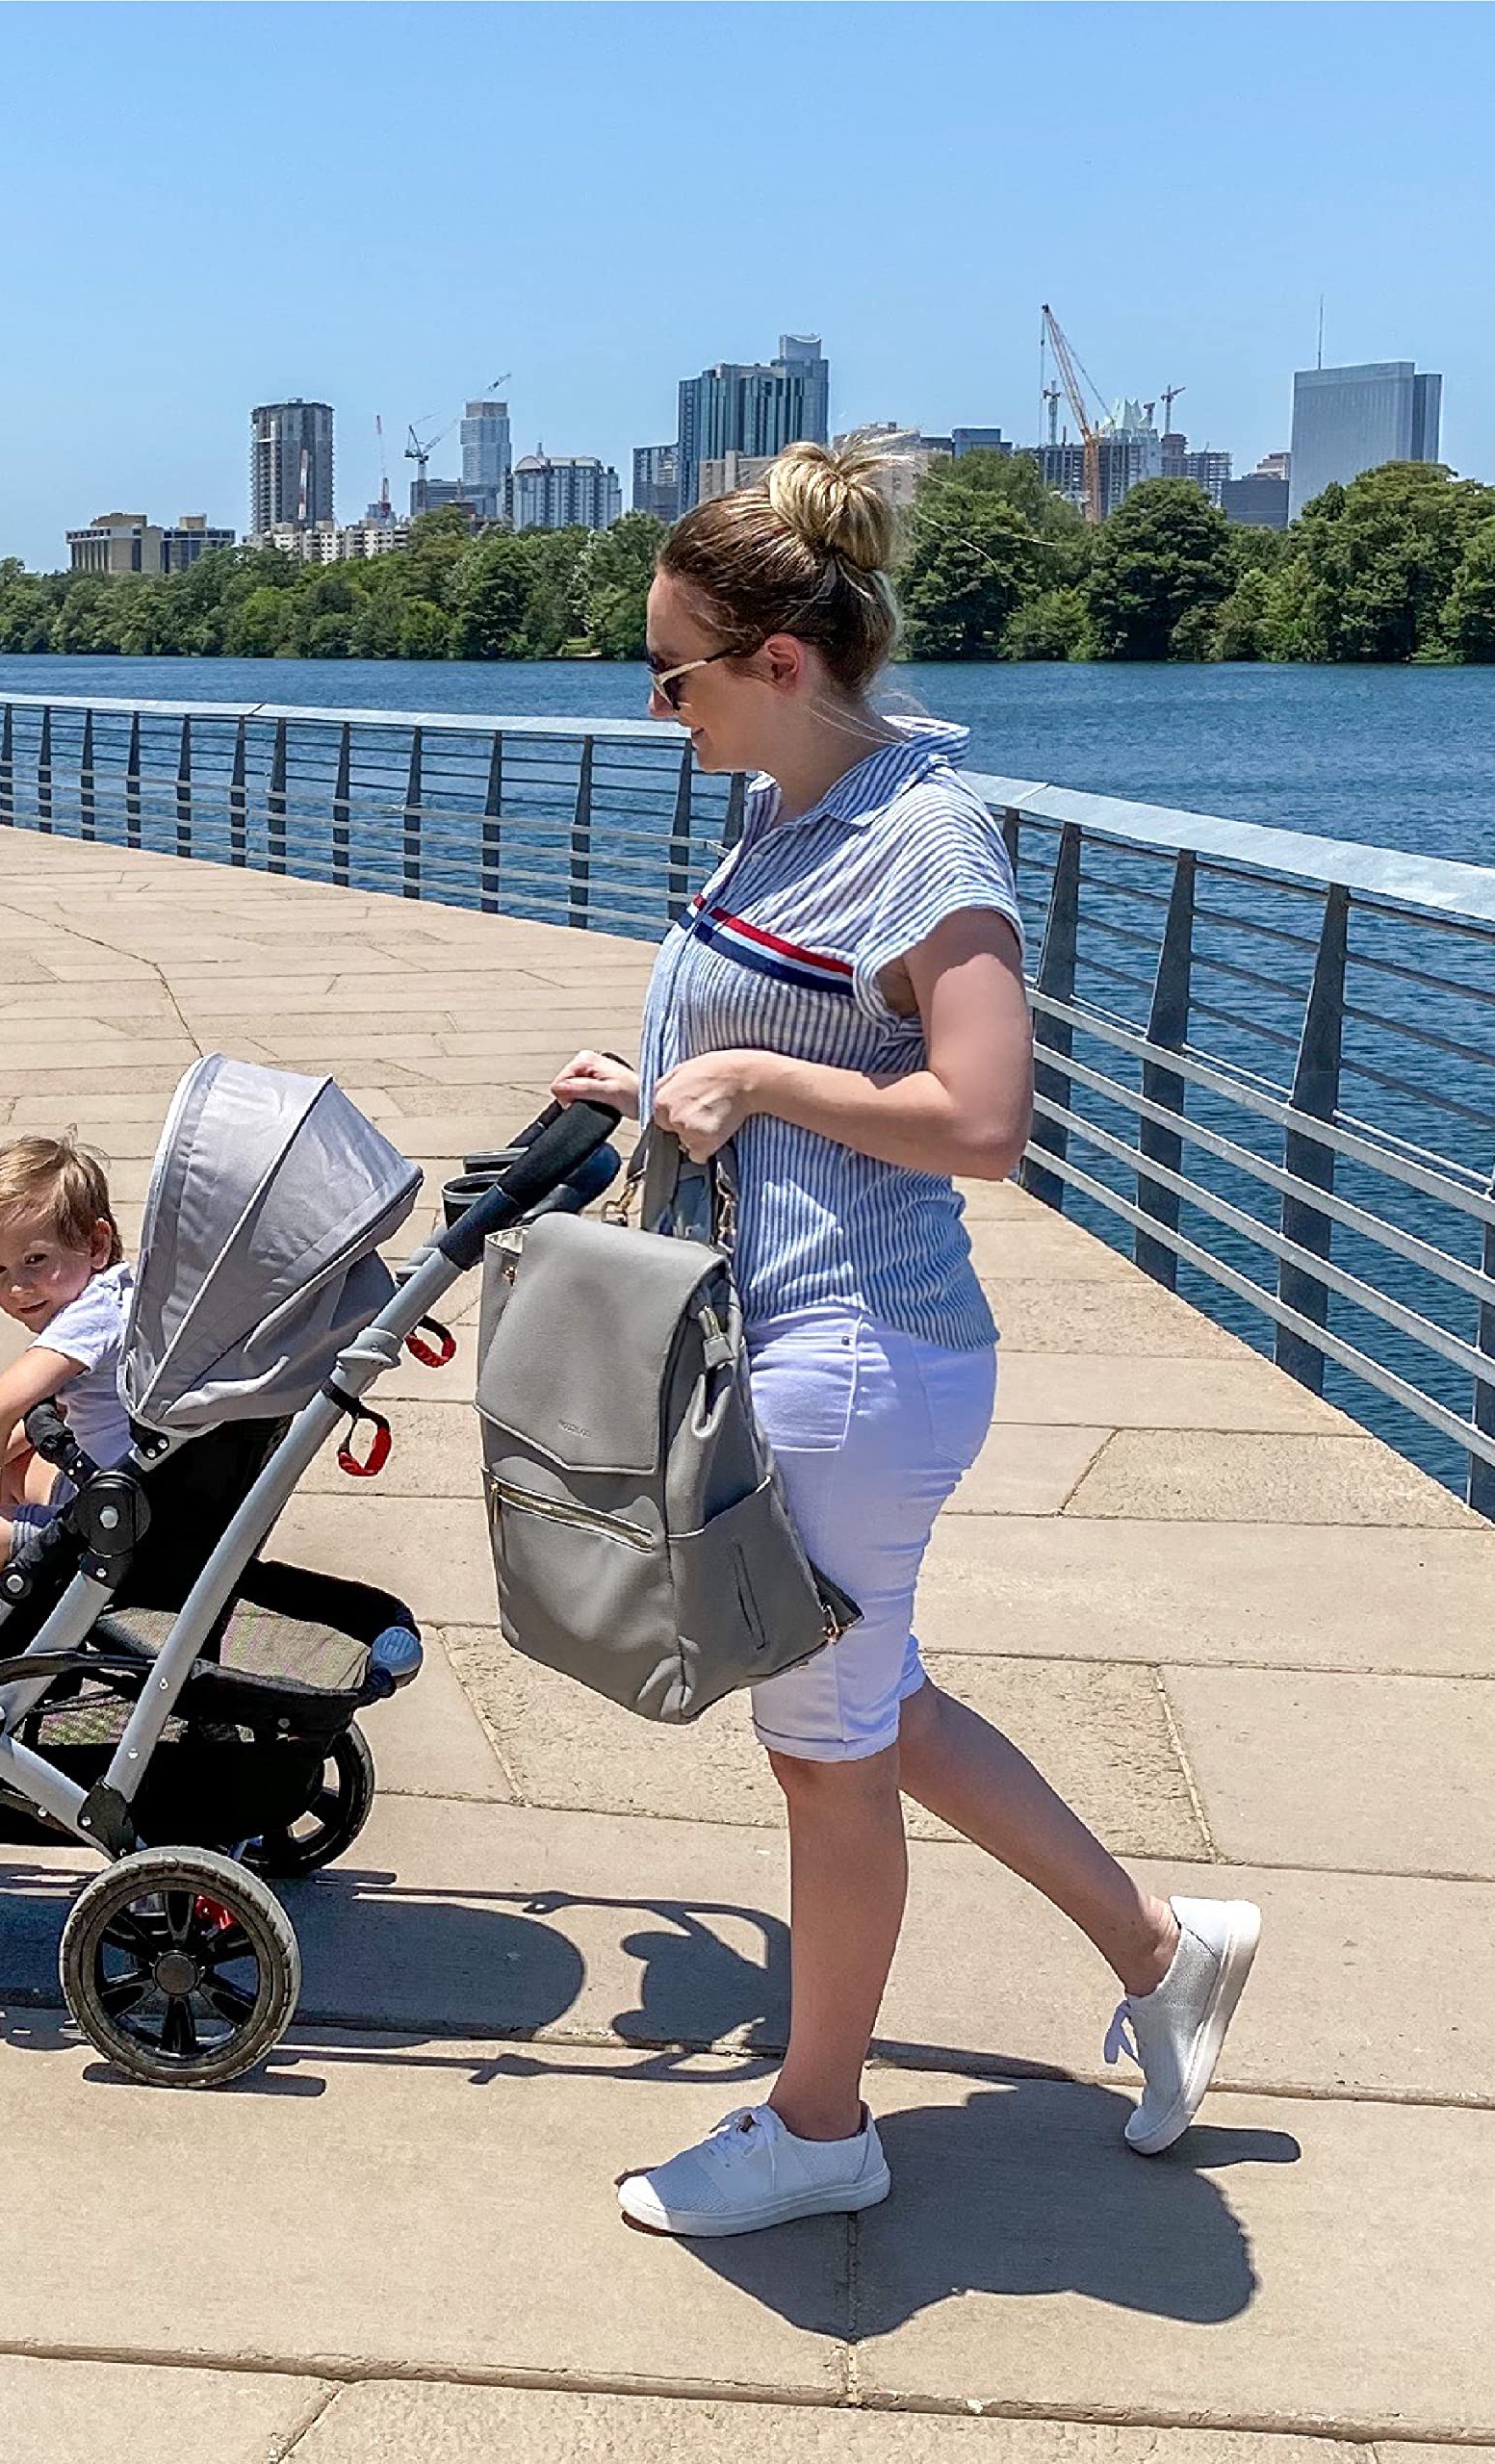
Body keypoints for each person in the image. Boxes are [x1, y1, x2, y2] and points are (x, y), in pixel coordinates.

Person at [553, 442, 1260, 2241]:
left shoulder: (921, 832)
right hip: (783, 1326)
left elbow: (976, 1113)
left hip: (854, 1347)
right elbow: (781, 1046)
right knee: (873, 1700)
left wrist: (758, 1077)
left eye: (675, 674)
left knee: (821, 1747)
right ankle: (1157, 1950)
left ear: (776, 664)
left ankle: (816, 2128)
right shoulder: (772, 813)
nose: (657, 707)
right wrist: (654, 1088)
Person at [0, 1135, 138, 1635]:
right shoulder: (125, 1290)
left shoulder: (90, 1319)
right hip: (132, 1495)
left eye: (35, 1261)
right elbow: (69, 1410)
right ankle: (18, 1602)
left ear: (95, 1243)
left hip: (117, 1529)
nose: (17, 1288)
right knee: (20, 1456)